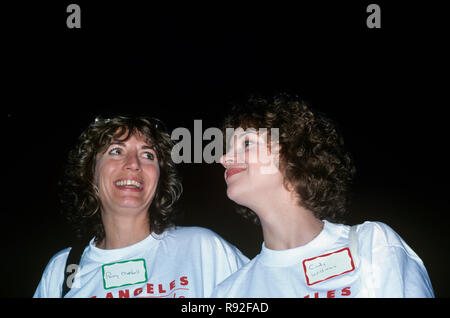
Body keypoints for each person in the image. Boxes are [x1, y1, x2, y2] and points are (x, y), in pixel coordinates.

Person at [212, 94, 434, 298]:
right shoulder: (230, 293)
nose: (224, 158)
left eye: (247, 143)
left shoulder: (372, 246)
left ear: (292, 151)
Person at [34, 116, 248, 298]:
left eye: (148, 155)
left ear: (159, 178)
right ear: (90, 173)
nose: (134, 163)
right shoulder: (62, 271)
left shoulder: (203, 249)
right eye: (116, 151)